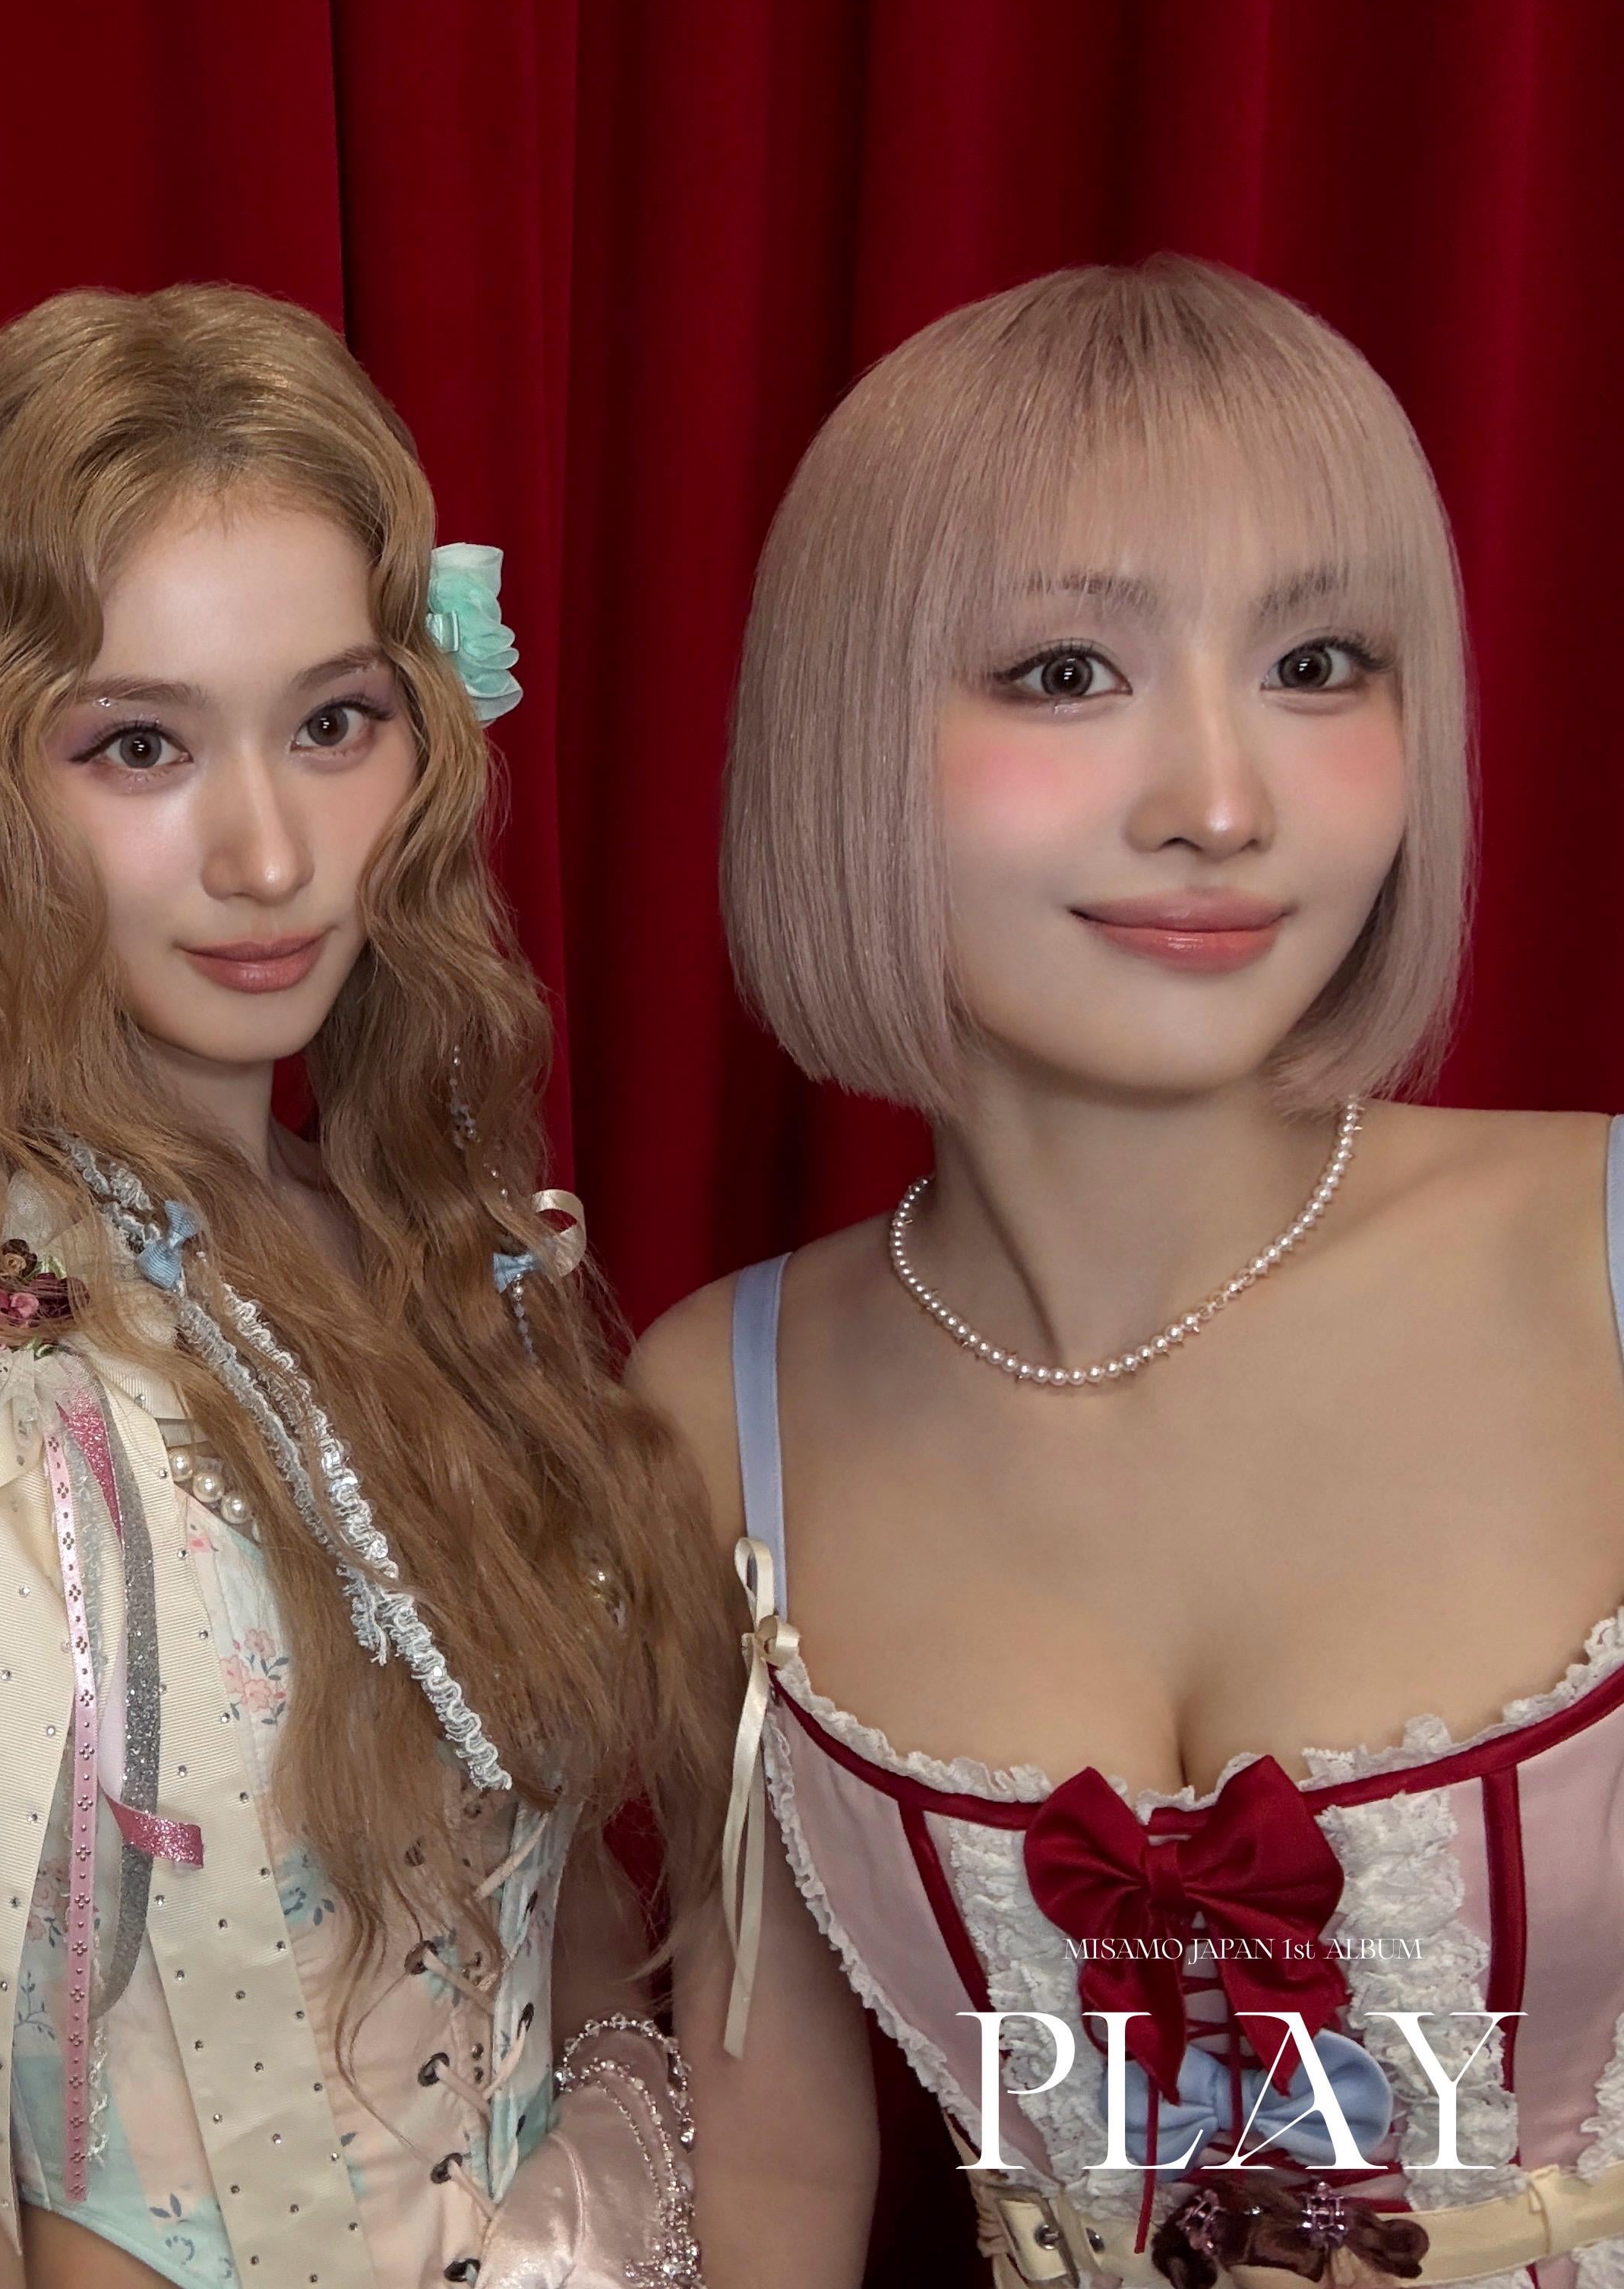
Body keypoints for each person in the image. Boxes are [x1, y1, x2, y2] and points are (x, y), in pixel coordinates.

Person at [0, 283, 726, 2289]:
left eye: (334, 723)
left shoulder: (450, 1253)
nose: (268, 853)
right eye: (139, 744)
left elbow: (572, 1932)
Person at [643, 258, 1624, 2288]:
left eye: (1320, 663)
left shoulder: (1603, 1258)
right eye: (1067, 673)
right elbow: (774, 2169)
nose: (1220, 806)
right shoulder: (713, 1413)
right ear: (842, 734)